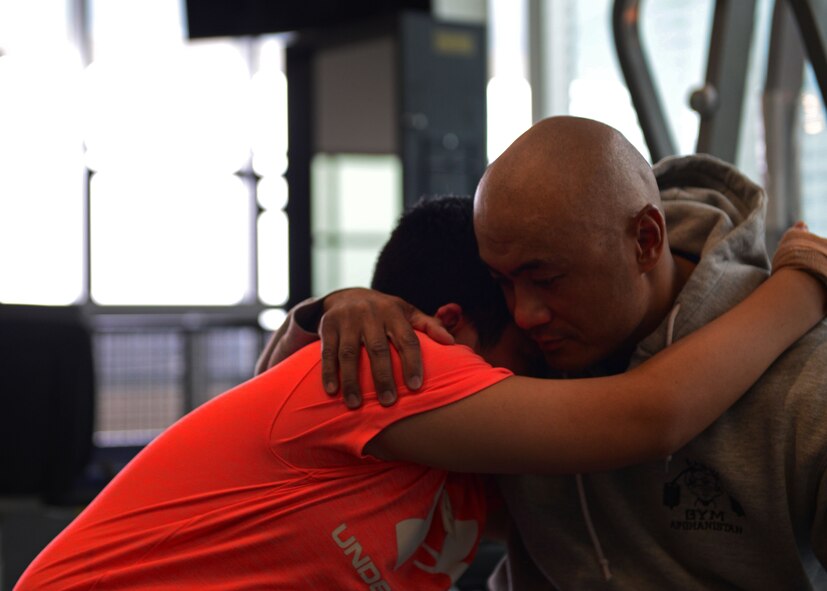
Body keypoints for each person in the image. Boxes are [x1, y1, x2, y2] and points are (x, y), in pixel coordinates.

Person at [15, 197, 827, 591]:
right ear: (447, 326)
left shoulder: (469, 471)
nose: (543, 354)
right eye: (523, 343)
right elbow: (647, 416)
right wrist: (803, 283)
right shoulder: (396, 366)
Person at [259, 117, 827, 589]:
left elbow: (653, 412)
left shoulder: (803, 383)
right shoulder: (522, 357)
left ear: (645, 241)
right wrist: (332, 310)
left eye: (547, 278)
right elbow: (287, 430)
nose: (525, 313)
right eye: (502, 282)